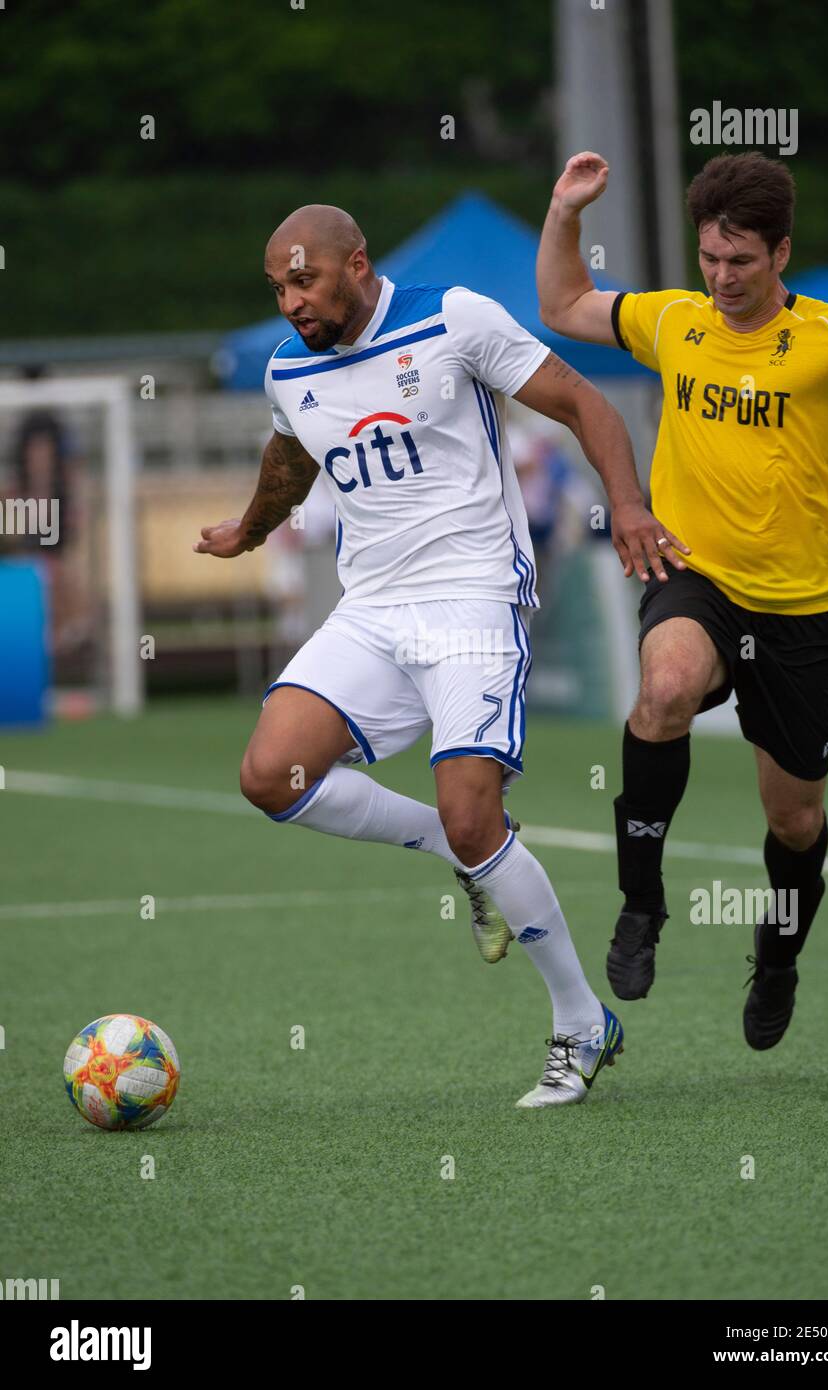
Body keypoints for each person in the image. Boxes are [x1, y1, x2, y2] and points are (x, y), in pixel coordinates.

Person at [195, 203, 682, 1106]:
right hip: (372, 611)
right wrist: (250, 529)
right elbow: (291, 454)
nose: (292, 301)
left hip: (471, 603)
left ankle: (582, 1024)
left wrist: (630, 504)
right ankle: (462, 856)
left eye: (305, 280)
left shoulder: (452, 318)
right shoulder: (287, 366)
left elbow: (585, 402)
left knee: (473, 815)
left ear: (356, 265)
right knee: (271, 775)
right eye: (279, 287)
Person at [537, 151, 828, 1048]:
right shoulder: (674, 320)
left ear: (781, 252)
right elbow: (563, 305)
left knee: (795, 817)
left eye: (741, 261)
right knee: (662, 692)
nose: (722, 277)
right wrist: (563, 212)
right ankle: (641, 907)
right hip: (695, 579)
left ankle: (777, 959)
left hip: (805, 610)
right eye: (710, 258)